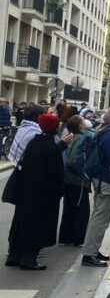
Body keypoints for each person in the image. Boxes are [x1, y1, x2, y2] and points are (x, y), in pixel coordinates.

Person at [6, 113, 64, 269]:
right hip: (42, 195)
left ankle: (14, 255)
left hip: (26, 192)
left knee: (21, 223)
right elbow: (56, 175)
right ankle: (28, 259)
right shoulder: (52, 147)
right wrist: (58, 192)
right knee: (37, 227)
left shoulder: (33, 142)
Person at [81, 103, 110, 267]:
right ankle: (90, 254)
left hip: (100, 178)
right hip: (105, 180)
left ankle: (92, 250)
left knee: (97, 216)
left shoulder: (104, 130)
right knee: (101, 218)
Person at [58, 116, 91, 246]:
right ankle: (78, 238)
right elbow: (73, 160)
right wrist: (84, 172)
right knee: (81, 211)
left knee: (68, 209)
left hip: (67, 179)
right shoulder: (81, 138)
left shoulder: (68, 137)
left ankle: (64, 237)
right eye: (82, 122)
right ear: (80, 126)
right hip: (78, 180)